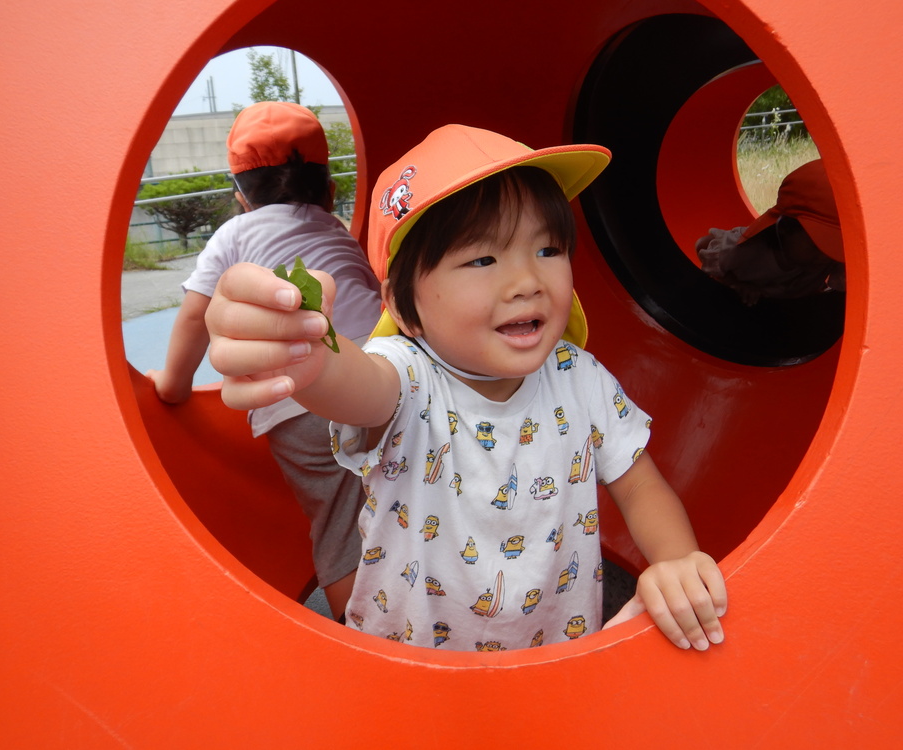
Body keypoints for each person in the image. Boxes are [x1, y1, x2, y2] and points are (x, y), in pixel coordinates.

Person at [204, 124, 727, 652]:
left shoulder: (578, 376)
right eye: (483, 259)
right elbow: (356, 387)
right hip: (414, 663)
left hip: (552, 654)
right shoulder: (408, 376)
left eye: (548, 249)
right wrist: (311, 353)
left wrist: (676, 563)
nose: (527, 280)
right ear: (406, 306)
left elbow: (639, 485)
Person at [146, 101, 382, 619]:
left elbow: (193, 317)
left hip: (297, 403)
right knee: (398, 500)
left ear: (240, 197)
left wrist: (173, 385)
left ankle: (364, 630)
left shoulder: (233, 235)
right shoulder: (339, 233)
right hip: (380, 379)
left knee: (340, 520)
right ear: (331, 191)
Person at [696, 159, 845, 305]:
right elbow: (702, 243)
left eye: (833, 246)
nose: (824, 256)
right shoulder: (749, 249)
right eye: (817, 245)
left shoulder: (828, 258)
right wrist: (734, 283)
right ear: (785, 228)